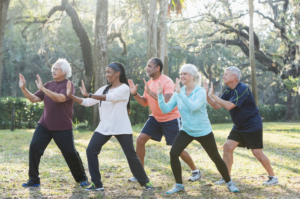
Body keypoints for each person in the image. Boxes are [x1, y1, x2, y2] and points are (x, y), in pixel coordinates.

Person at [66, 62, 153, 191]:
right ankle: (97, 184)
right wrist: (71, 96)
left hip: (121, 127)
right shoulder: (103, 89)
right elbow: (88, 102)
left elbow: (110, 98)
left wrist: (89, 94)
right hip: (104, 127)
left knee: (131, 155)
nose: (106, 75)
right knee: (91, 150)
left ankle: (146, 182)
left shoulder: (124, 88)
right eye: (106, 72)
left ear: (117, 73)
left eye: (109, 72)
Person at [157, 64, 239, 194]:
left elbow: (193, 107)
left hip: (203, 131)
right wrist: (160, 95)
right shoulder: (179, 92)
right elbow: (166, 109)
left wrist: (180, 93)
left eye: (185, 74)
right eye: (181, 74)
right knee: (173, 153)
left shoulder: (200, 91)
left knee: (215, 157)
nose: (182, 76)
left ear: (193, 76)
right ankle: (179, 185)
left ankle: (229, 182)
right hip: (186, 130)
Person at [127, 58, 200, 182]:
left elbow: (167, 99)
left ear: (157, 68)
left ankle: (195, 171)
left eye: (149, 66)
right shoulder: (149, 83)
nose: (147, 68)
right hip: (155, 118)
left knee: (178, 149)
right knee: (140, 140)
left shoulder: (166, 81)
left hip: (170, 118)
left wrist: (150, 93)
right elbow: (145, 103)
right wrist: (134, 94)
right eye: (147, 66)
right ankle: (140, 173)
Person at [19, 59, 89, 187]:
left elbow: (61, 98)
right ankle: (34, 179)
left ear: (64, 71)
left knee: (69, 152)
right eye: (53, 69)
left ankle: (82, 178)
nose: (53, 70)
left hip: (62, 126)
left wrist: (43, 89)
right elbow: (34, 99)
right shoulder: (48, 84)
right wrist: (23, 88)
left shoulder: (69, 84)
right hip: (45, 124)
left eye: (56, 69)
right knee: (34, 147)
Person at [204, 66, 279, 186]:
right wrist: (206, 95)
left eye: (226, 74)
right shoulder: (229, 90)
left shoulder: (242, 88)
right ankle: (226, 178)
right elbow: (216, 105)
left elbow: (229, 106)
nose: (223, 76)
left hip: (252, 124)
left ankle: (273, 177)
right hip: (239, 126)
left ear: (234, 77)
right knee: (227, 147)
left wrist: (213, 95)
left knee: (257, 153)